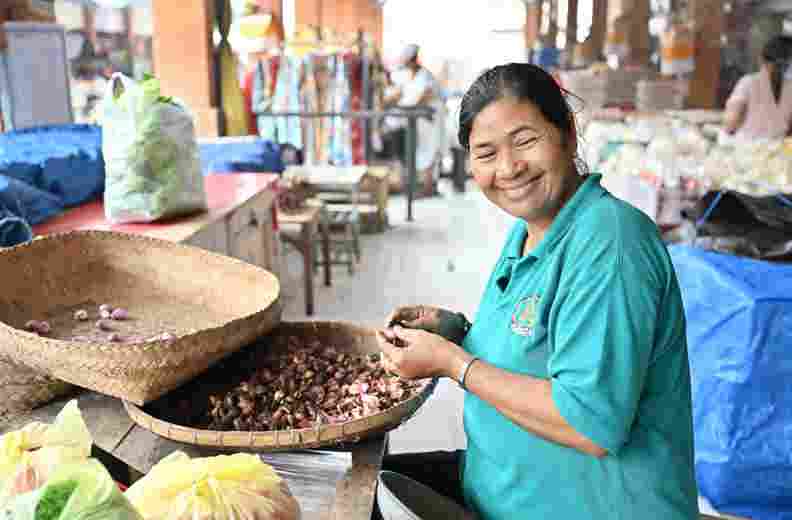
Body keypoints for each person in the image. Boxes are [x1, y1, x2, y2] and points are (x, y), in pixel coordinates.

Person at [375, 63, 699, 520]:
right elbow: (537, 349)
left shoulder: (611, 240)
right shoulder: (530, 234)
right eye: (485, 153)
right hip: (503, 496)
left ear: (566, 132)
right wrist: (457, 333)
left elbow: (588, 422)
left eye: (525, 141)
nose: (508, 168)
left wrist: (453, 363)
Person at [379, 43, 446, 197]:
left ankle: (428, 188)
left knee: (430, 152)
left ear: (414, 60)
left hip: (431, 120)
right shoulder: (410, 77)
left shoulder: (425, 76)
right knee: (421, 152)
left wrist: (408, 108)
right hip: (419, 122)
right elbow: (402, 95)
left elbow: (425, 96)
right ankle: (423, 186)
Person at [724, 35, 792, 141]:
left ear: (762, 59)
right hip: (762, 149)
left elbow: (730, 124)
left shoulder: (748, 83)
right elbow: (731, 122)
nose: (781, 69)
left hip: (762, 150)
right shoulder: (749, 83)